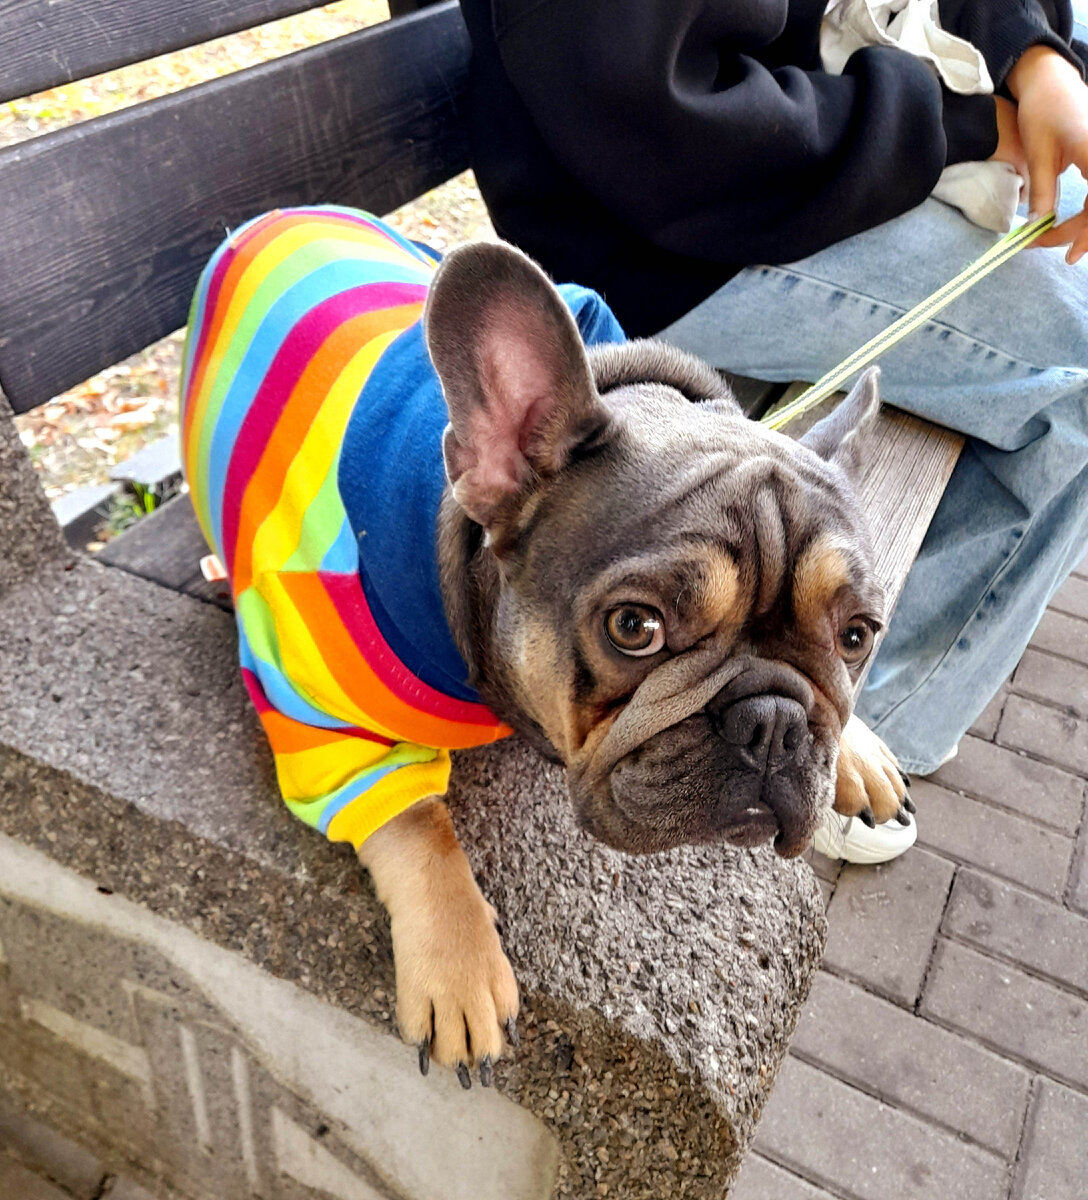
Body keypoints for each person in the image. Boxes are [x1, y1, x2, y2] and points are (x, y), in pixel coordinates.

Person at [455, 0, 1088, 861]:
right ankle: (889, 714)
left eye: (849, 636)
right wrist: (963, 122)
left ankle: (854, 723)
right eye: (636, 629)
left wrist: (1032, 56)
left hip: (826, 147)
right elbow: (644, 113)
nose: (764, 727)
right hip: (669, 219)